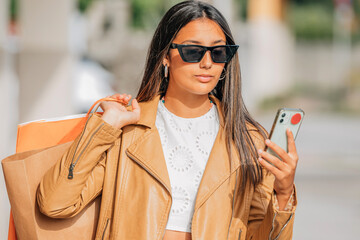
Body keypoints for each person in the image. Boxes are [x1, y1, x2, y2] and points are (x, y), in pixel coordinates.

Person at [37, 1, 298, 239]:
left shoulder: (247, 140)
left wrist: (284, 195)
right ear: (165, 55)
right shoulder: (128, 131)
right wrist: (105, 127)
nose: (207, 63)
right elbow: (54, 203)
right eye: (193, 51)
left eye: (219, 53)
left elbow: (261, 235)